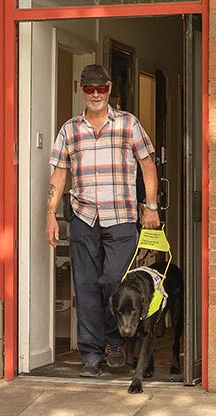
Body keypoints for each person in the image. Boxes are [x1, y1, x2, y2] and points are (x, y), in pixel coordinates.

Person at [45, 64, 160, 377]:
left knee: (113, 281)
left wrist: (151, 206)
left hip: (122, 217)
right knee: (84, 287)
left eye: (101, 88)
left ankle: (115, 341)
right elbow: (59, 173)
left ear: (110, 89)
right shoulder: (69, 129)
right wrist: (51, 214)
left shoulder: (128, 124)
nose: (95, 94)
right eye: (89, 89)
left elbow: (147, 165)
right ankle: (92, 353)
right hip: (83, 217)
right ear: (81, 90)